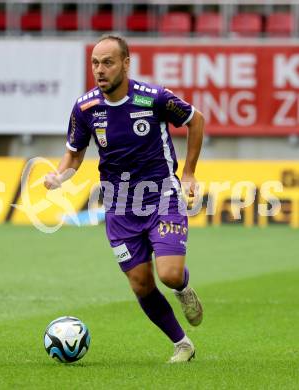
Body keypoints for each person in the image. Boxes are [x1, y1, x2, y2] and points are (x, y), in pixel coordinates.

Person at [44, 34, 204, 363]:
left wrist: (188, 173)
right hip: (118, 206)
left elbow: (195, 120)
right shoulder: (85, 107)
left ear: (126, 64)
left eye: (107, 62)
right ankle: (182, 344)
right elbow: (74, 155)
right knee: (141, 283)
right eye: (94, 63)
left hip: (161, 196)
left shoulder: (154, 98)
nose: (99, 70)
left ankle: (183, 288)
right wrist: (59, 176)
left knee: (170, 274)